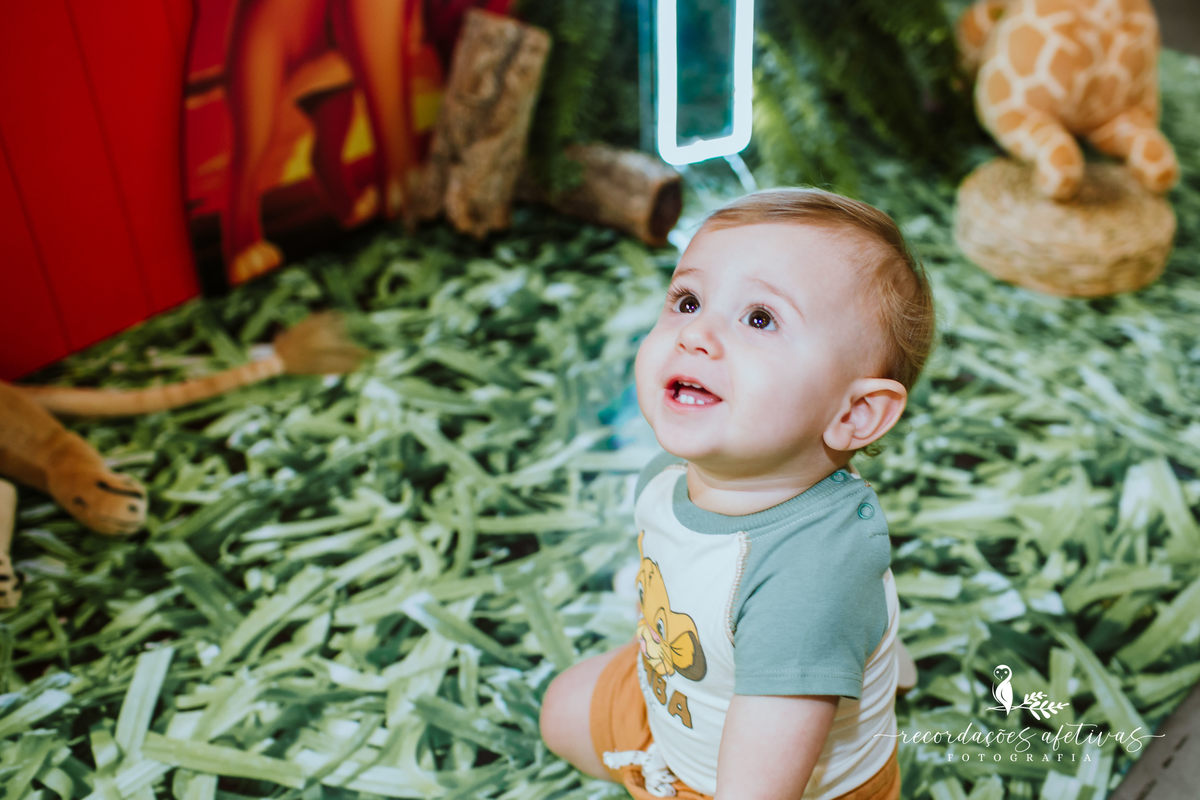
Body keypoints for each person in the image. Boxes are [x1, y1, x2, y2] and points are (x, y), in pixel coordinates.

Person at [539, 188, 936, 800]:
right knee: (561, 709)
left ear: (855, 414)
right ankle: (851, 652)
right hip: (679, 701)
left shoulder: (809, 579)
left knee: (805, 635)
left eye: (759, 318)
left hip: (769, 781)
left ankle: (834, 659)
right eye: (688, 299)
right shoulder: (676, 475)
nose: (696, 332)